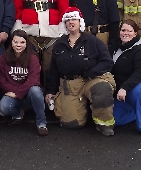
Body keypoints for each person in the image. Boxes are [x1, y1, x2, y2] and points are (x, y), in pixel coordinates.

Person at [45, 8, 116, 136]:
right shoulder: (59, 44)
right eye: (67, 20)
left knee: (102, 89)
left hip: (91, 79)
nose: (71, 22)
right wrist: (51, 91)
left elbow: (107, 62)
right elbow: (54, 69)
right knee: (71, 124)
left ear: (80, 22)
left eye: (74, 19)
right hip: (70, 84)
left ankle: (104, 124)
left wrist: (92, 72)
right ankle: (83, 110)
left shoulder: (93, 41)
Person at [0, 29, 48, 136]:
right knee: (3, 107)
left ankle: (41, 123)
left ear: (26, 43)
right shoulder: (3, 58)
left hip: (29, 93)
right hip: (13, 93)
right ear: (11, 42)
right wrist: (15, 93)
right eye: (15, 42)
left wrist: (18, 93)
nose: (18, 45)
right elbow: (1, 79)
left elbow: (33, 80)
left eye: (22, 42)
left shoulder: (32, 58)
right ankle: (17, 115)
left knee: (36, 91)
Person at [112, 20, 141, 136]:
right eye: (123, 30)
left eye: (129, 31)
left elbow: (140, 73)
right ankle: (136, 111)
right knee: (115, 120)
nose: (125, 33)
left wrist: (125, 88)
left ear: (135, 34)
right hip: (122, 91)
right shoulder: (115, 48)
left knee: (137, 91)